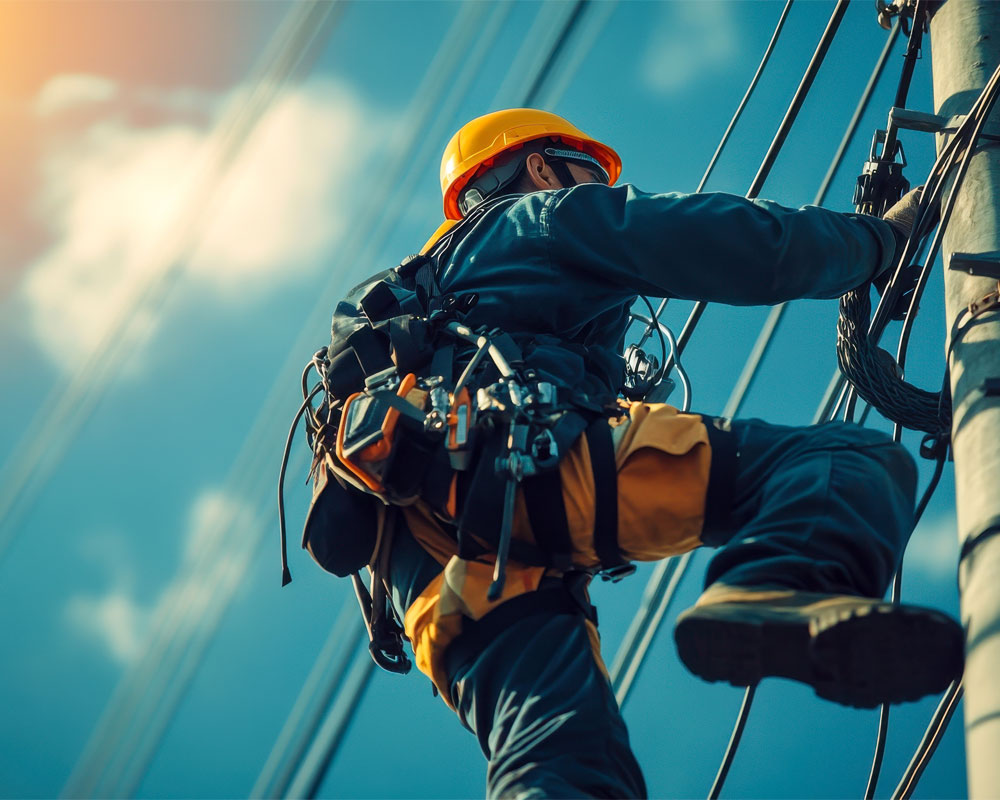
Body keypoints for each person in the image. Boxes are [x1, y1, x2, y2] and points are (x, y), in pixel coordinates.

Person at [302, 108, 964, 798]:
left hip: (421, 568)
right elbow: (727, 241)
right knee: (846, 467)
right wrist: (882, 239)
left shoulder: (408, 305)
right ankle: (770, 588)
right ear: (538, 167)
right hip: (521, 465)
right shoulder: (537, 222)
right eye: (585, 173)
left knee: (563, 765)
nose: (594, 187)